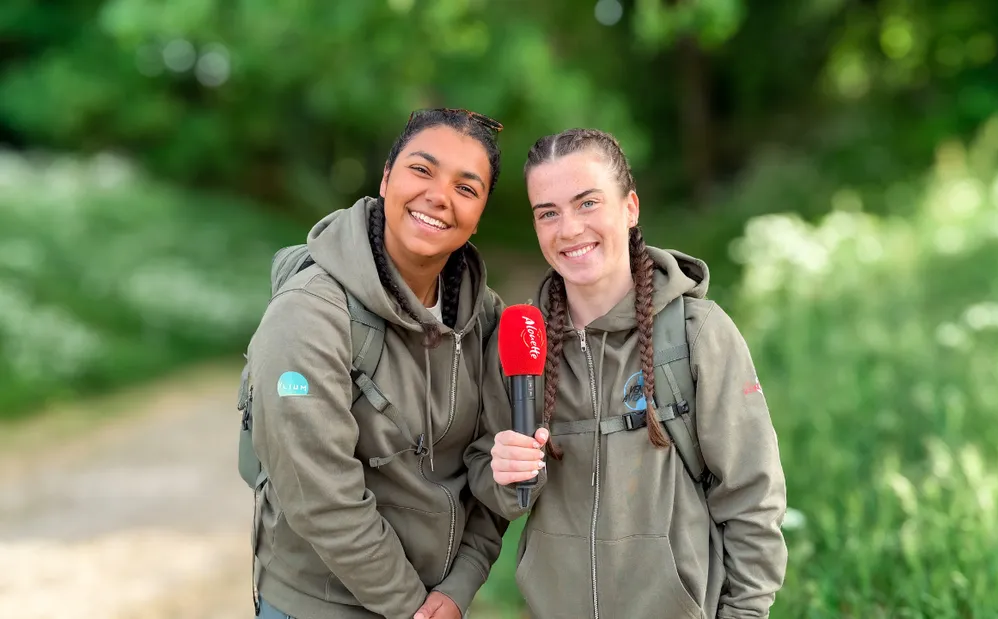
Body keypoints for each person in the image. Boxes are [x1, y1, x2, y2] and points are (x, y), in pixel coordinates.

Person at [465, 128, 788, 618]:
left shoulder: (697, 333)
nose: (568, 228)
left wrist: (745, 612)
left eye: (587, 203)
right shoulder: (518, 342)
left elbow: (752, 497)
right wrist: (502, 472)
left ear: (630, 208)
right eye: (547, 212)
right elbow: (489, 486)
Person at [246, 108, 509, 619]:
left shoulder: (484, 319)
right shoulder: (309, 313)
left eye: (467, 187)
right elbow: (322, 497)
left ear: (479, 213)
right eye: (422, 170)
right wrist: (411, 607)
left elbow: (493, 472)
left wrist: (459, 588)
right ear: (387, 177)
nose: (439, 196)